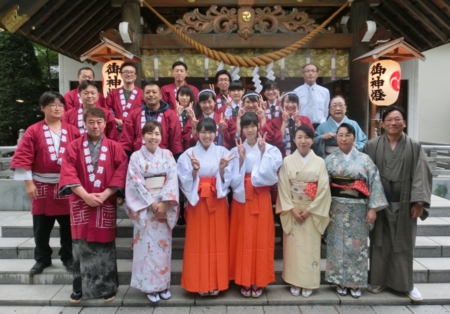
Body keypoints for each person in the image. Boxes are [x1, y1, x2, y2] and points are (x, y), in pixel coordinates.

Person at [363, 105, 432, 301]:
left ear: (404, 122)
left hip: (404, 203)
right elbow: (364, 175)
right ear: (383, 124)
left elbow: (421, 175)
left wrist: (419, 202)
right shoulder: (372, 145)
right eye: (389, 120)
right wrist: (370, 204)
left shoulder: (415, 147)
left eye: (397, 119)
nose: (393, 123)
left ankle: (405, 284)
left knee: (403, 243)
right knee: (379, 242)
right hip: (379, 202)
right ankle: (378, 280)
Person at [59, 107, 128, 303]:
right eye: (91, 122)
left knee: (105, 246)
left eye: (99, 122)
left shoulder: (115, 147)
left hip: (105, 201)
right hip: (81, 201)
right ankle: (79, 288)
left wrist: (106, 193)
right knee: (80, 246)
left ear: (105, 123)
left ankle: (107, 287)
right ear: (84, 123)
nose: (95, 126)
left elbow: (121, 171)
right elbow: (68, 171)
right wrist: (84, 195)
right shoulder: (73, 146)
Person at [10, 92, 80, 275]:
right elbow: (23, 157)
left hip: (66, 185)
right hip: (41, 184)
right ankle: (42, 259)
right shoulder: (33, 130)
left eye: (60, 105)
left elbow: (80, 156)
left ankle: (68, 257)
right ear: (43, 107)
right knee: (41, 227)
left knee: (68, 227)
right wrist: (28, 183)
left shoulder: (73, 130)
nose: (57, 108)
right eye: (52, 105)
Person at [325, 123, 388, 299]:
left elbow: (374, 183)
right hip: (335, 208)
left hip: (359, 209)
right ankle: (339, 281)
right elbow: (323, 187)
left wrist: (373, 209)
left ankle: (355, 282)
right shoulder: (330, 160)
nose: (343, 139)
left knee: (357, 247)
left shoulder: (365, 159)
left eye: (347, 135)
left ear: (354, 137)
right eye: (340, 135)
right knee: (336, 245)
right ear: (336, 138)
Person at [177, 118, 236, 296]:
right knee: (198, 241)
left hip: (217, 200)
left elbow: (229, 179)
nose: (207, 135)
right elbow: (184, 180)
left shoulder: (222, 152)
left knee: (218, 240)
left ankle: (217, 281)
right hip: (198, 202)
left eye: (210, 132)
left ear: (215, 133)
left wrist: (223, 169)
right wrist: (194, 171)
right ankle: (199, 282)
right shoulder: (188, 154)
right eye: (203, 132)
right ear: (197, 133)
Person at [125, 120, 179, 303]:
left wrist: (164, 203)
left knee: (163, 249)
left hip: (163, 207)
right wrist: (151, 203)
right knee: (146, 248)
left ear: (161, 137)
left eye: (157, 134)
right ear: (142, 136)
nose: (153, 137)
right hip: (145, 209)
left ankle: (163, 285)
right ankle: (149, 287)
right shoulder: (136, 157)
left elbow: (172, 178)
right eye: (149, 133)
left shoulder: (168, 155)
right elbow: (135, 181)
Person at [229, 112, 282, 298]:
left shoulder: (269, 149)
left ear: (258, 127)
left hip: (260, 196)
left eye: (253, 126)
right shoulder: (236, 150)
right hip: (242, 197)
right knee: (243, 237)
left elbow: (271, 174)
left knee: (261, 238)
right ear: (241, 129)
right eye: (246, 126)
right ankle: (243, 278)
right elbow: (230, 178)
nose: (250, 130)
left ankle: (258, 279)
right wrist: (241, 159)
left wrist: (262, 153)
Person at [276, 125, 331, 298]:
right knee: (293, 248)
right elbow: (283, 187)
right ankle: (294, 280)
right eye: (299, 137)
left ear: (313, 140)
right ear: (294, 140)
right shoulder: (287, 161)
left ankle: (308, 281)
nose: (303, 141)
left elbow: (323, 189)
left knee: (310, 248)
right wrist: (291, 210)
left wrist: (309, 211)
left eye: (307, 137)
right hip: (292, 208)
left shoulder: (320, 162)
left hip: (311, 210)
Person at [120, 81, 183, 158]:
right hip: (138, 159)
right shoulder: (134, 114)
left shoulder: (171, 115)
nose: (151, 95)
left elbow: (175, 142)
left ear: (160, 95)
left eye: (154, 92)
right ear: (143, 96)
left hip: (163, 160)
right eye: (147, 92)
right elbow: (126, 140)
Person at [264, 92, 314, 157]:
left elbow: (310, 139)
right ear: (281, 104)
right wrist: (284, 122)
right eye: (287, 102)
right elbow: (276, 143)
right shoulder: (275, 122)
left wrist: (298, 122)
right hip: (282, 158)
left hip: (302, 156)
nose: (290, 105)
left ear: (298, 105)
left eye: (293, 102)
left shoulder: (305, 119)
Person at [105, 62, 143, 135]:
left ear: (135, 76)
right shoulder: (113, 93)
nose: (129, 74)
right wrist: (115, 119)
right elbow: (107, 109)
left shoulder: (142, 94)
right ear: (121, 75)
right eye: (126, 72)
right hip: (116, 131)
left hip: (136, 131)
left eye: (131, 72)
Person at [294, 63, 330, 129]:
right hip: (302, 125)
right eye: (307, 71)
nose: (310, 73)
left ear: (317, 74)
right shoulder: (296, 92)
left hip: (320, 126)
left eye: (313, 71)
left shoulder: (325, 91)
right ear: (303, 75)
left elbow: (325, 111)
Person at [175, 85, 195, 151]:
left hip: (191, 145)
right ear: (177, 96)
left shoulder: (196, 112)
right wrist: (176, 116)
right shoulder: (171, 112)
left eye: (187, 95)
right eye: (182, 95)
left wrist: (192, 117)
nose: (184, 98)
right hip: (176, 146)